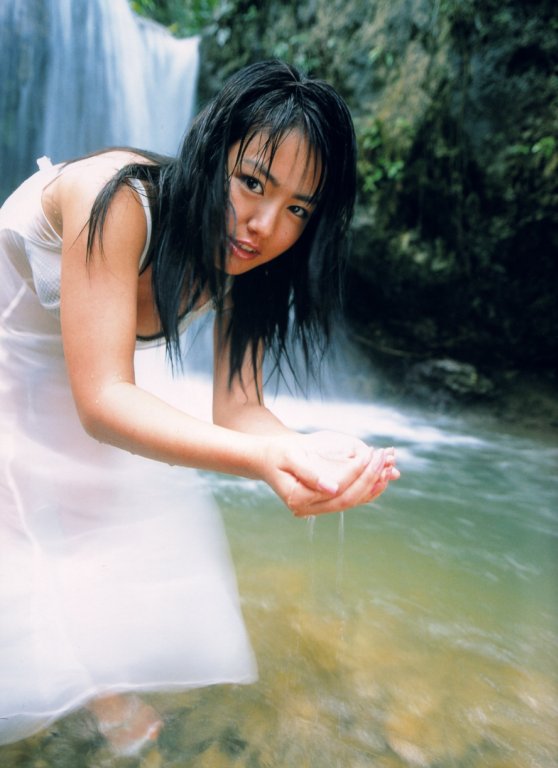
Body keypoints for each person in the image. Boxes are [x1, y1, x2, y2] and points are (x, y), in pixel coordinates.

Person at [0, 59, 399, 755]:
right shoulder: (116, 199)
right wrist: (262, 460)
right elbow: (103, 401)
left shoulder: (253, 266)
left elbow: (240, 411)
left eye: (298, 210)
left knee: (117, 511)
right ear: (214, 152)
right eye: (253, 183)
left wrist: (306, 451)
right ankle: (88, 688)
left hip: (81, 367)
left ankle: (96, 679)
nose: (263, 225)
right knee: (18, 517)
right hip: (17, 355)